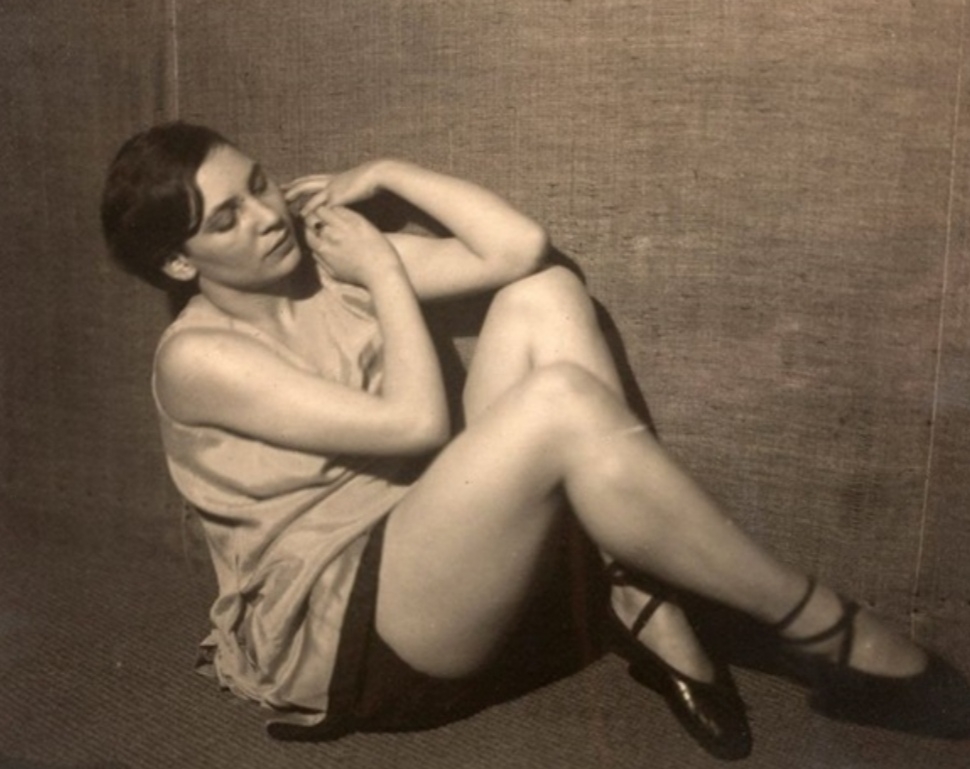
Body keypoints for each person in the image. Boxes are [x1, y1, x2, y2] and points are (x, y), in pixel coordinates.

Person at [101, 122, 969, 760]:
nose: (266, 215)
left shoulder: (323, 260)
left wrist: (388, 170)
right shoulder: (200, 358)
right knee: (557, 401)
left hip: (436, 555)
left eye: (259, 183)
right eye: (227, 219)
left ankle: (641, 597)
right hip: (352, 636)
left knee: (546, 295)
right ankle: (819, 626)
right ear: (179, 263)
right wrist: (384, 271)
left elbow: (518, 249)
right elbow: (417, 424)